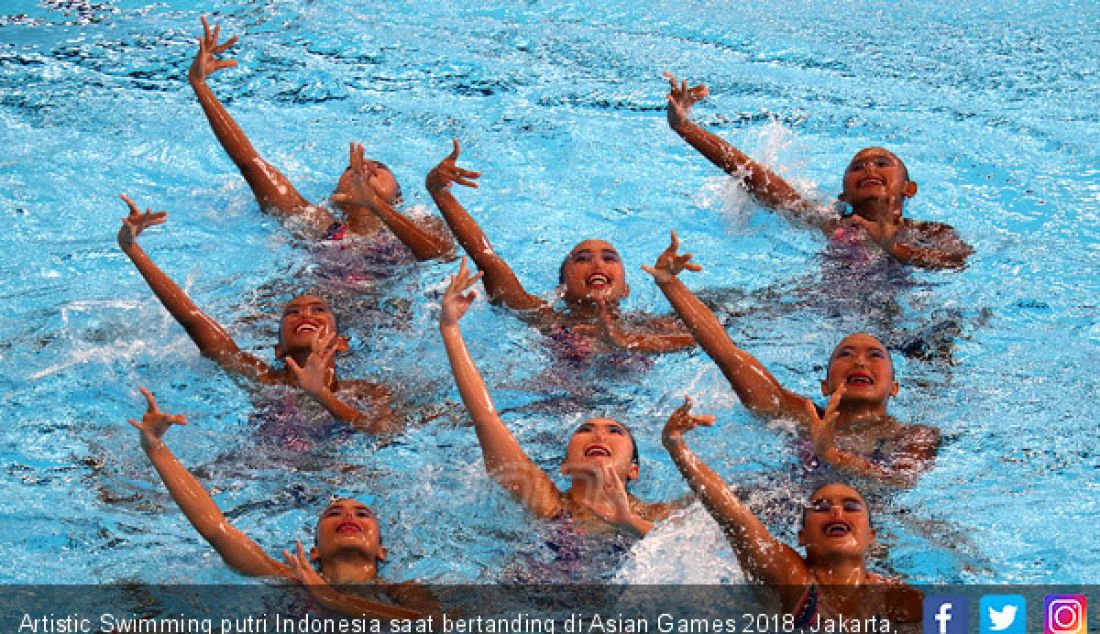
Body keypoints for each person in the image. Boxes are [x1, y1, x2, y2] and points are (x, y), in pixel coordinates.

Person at [645, 233, 938, 486]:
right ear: (825, 386)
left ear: (895, 387)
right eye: (846, 355)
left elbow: (899, 480)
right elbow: (728, 354)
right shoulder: (800, 416)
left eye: (875, 356)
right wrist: (669, 283)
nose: (860, 363)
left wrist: (832, 456)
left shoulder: (913, 436)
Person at [127, 387, 438, 619]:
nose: (348, 515)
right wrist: (156, 449)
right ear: (314, 550)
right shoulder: (286, 579)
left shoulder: (400, 593)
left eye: (361, 513)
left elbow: (437, 626)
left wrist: (330, 599)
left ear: (381, 551)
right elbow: (216, 528)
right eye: (333, 513)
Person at [117, 194, 396, 434]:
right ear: (278, 350)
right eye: (292, 313)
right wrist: (132, 250)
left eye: (319, 310)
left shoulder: (367, 393)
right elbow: (192, 318)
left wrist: (322, 396)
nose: (304, 316)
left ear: (341, 342)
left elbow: (381, 433)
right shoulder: (265, 381)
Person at [440, 259, 679, 535]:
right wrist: (449, 328)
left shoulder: (662, 517)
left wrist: (632, 522)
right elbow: (485, 417)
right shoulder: (548, 505)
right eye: (585, 430)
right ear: (565, 466)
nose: (598, 436)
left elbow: (732, 518)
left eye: (614, 430)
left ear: (633, 470)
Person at [188, 17, 451, 260]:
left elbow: (439, 254)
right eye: (353, 169)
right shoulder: (316, 225)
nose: (365, 168)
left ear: (398, 198)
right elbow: (250, 164)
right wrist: (200, 86)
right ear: (336, 194)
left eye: (378, 167)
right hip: (316, 307)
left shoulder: (421, 223)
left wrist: (374, 205)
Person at [663, 72, 973, 270]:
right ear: (844, 193)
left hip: (894, 311)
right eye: (857, 167)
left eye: (882, 164)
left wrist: (892, 245)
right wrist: (684, 127)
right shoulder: (829, 222)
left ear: (909, 188)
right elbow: (753, 175)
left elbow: (958, 261)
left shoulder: (929, 232)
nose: (868, 167)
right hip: (827, 307)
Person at [661, 397, 922, 624]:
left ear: (871, 536)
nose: (837, 512)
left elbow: (955, 621)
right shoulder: (792, 581)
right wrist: (677, 447)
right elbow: (732, 513)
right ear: (802, 537)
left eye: (851, 506)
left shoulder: (896, 597)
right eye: (820, 507)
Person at [426, 139, 695, 355]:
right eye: (582, 259)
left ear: (626, 290)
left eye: (609, 258)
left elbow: (712, 342)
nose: (598, 264)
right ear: (561, 290)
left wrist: (626, 341)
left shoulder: (647, 327)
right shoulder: (546, 319)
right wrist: (439, 191)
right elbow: (486, 258)